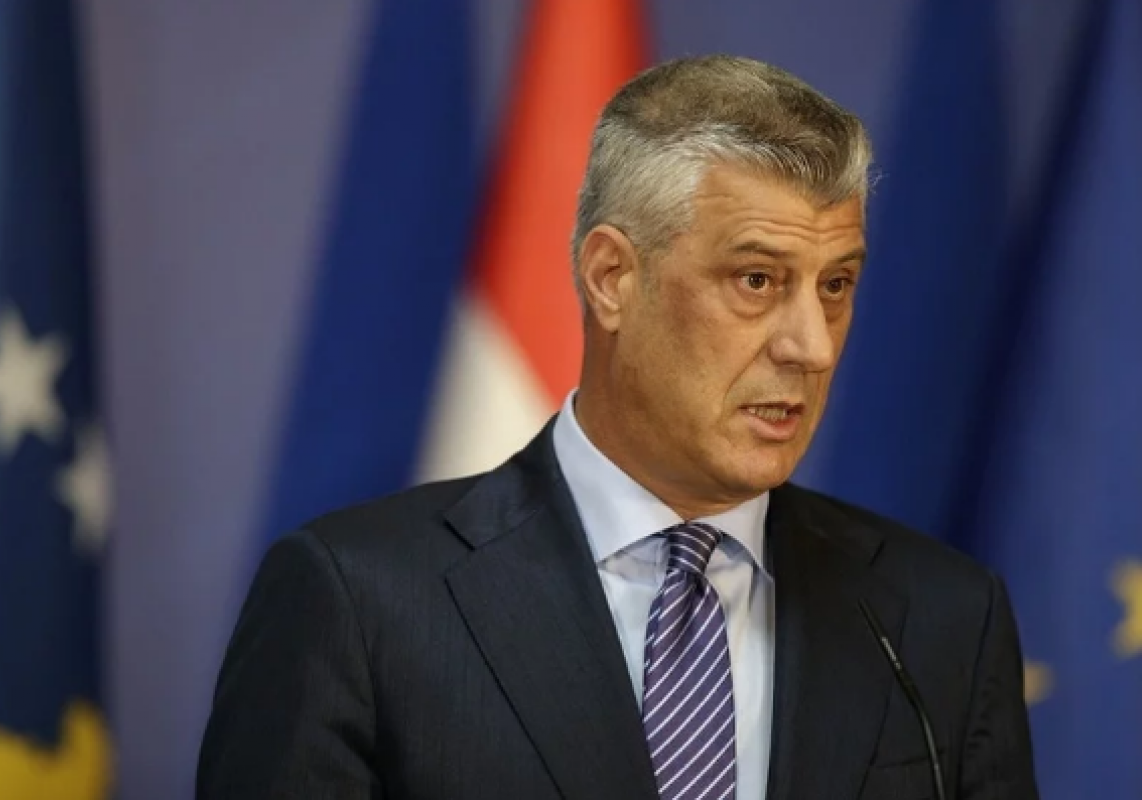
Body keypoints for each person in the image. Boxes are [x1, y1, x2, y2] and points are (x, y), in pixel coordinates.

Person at [196, 55, 1038, 800]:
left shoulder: (938, 621)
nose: (812, 347)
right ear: (611, 278)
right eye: (756, 280)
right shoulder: (360, 604)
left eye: (836, 285)